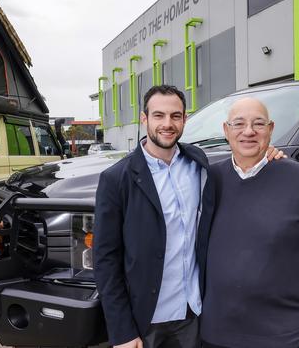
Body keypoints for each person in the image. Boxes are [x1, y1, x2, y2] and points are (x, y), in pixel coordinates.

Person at [94, 86, 282, 348]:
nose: (167, 124)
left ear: (184, 120)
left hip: (193, 313)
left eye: (176, 116)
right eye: (159, 116)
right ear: (144, 119)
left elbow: (243, 165)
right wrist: (122, 330)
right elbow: (105, 261)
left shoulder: (199, 164)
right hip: (145, 319)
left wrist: (268, 154)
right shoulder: (116, 179)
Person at [201, 97, 299, 348]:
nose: (248, 131)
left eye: (258, 124)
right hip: (219, 336)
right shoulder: (207, 180)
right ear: (226, 131)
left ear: (270, 130)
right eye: (238, 123)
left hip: (298, 335)